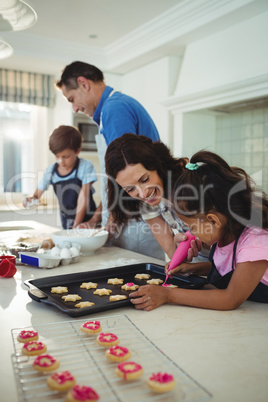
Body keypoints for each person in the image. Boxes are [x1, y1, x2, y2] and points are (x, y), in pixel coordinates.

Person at [129, 150, 268, 311]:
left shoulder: (254, 243)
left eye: (192, 227)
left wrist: (168, 295)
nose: (192, 233)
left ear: (213, 220)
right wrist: (191, 268)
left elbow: (230, 299)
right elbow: (233, 269)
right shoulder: (224, 235)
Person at [56, 61, 165, 259]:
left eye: (72, 99)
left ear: (84, 83)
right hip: (130, 215)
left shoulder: (114, 110)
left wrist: (110, 219)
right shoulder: (111, 109)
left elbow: (126, 173)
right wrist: (96, 218)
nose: (74, 108)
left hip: (135, 218)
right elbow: (115, 178)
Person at [105, 133, 203, 260]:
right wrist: (180, 254)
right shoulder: (146, 203)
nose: (143, 194)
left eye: (145, 179)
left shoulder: (191, 181)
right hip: (202, 267)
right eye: (130, 189)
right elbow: (171, 250)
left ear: (158, 165)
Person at [23, 125, 97, 229]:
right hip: (66, 221)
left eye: (66, 157)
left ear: (77, 151)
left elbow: (83, 198)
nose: (61, 161)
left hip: (88, 222)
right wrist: (31, 200)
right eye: (57, 156)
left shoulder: (85, 166)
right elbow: (36, 196)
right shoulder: (51, 172)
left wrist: (76, 226)